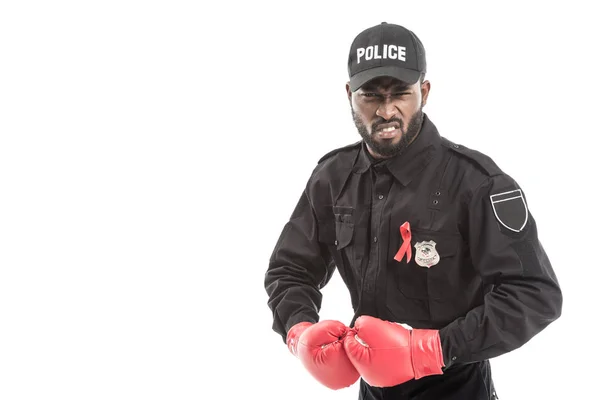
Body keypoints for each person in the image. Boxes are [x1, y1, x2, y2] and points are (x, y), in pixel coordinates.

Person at [264, 22, 562, 400]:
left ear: (423, 92)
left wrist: (429, 350)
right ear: (349, 95)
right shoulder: (332, 177)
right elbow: (289, 269)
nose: (386, 111)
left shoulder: (477, 182)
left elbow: (534, 294)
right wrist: (299, 331)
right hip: (371, 391)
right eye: (370, 95)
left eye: (400, 94)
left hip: (459, 389)